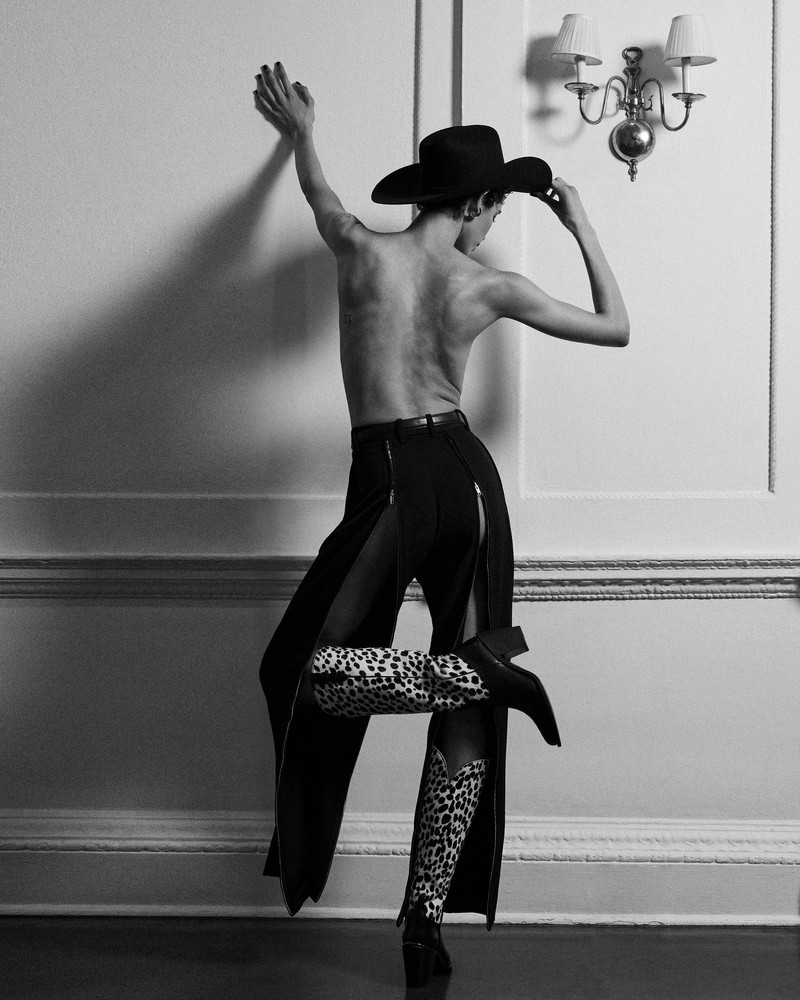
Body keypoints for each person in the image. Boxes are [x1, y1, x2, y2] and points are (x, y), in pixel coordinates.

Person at [253, 62, 629, 988]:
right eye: (494, 209)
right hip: (466, 478)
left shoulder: (356, 249)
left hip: (388, 475)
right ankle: (426, 905)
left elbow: (321, 195)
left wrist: (303, 133)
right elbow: (613, 326)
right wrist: (580, 223)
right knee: (432, 698)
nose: (491, 225)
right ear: (476, 204)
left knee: (306, 668)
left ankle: (425, 914)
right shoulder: (486, 285)